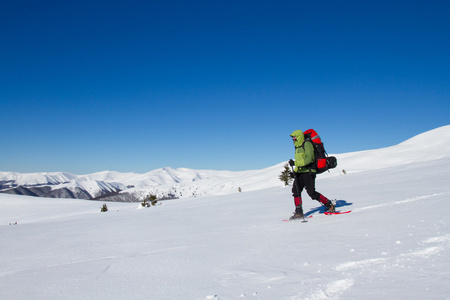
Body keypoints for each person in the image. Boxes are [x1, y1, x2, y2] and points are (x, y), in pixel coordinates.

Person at [289, 130, 335, 220]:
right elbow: (300, 162)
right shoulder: (297, 147)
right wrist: (295, 172)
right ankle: (298, 212)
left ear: (299, 136)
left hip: (309, 171)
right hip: (300, 172)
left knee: (311, 192)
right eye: (292, 137)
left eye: (294, 137)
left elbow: (309, 159)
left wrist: (295, 163)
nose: (293, 139)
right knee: (296, 191)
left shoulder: (307, 144)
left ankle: (329, 204)